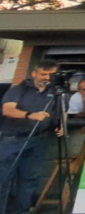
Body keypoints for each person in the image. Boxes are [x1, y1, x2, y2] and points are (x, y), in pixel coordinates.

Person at [0, 61, 63, 214]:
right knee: (4, 178)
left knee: (29, 179)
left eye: (51, 75)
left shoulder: (55, 91)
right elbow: (7, 110)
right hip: (13, 139)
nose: (47, 78)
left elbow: (60, 112)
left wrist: (60, 125)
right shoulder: (20, 89)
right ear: (34, 73)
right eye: (43, 74)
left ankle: (22, 211)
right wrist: (30, 115)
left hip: (38, 140)